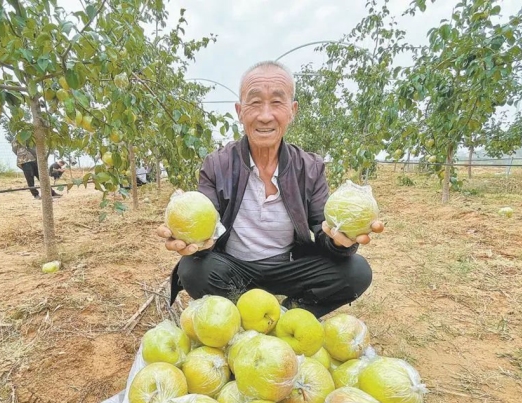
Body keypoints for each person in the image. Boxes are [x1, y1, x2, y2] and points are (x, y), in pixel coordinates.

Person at [157, 61, 384, 318]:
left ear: (292, 110)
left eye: (277, 102)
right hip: (233, 269)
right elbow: (208, 228)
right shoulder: (216, 164)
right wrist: (193, 241)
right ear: (240, 111)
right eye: (254, 103)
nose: (265, 115)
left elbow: (324, 228)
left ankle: (288, 314)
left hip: (288, 269)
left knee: (356, 272)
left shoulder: (310, 167)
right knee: (192, 270)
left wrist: (341, 242)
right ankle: (241, 314)